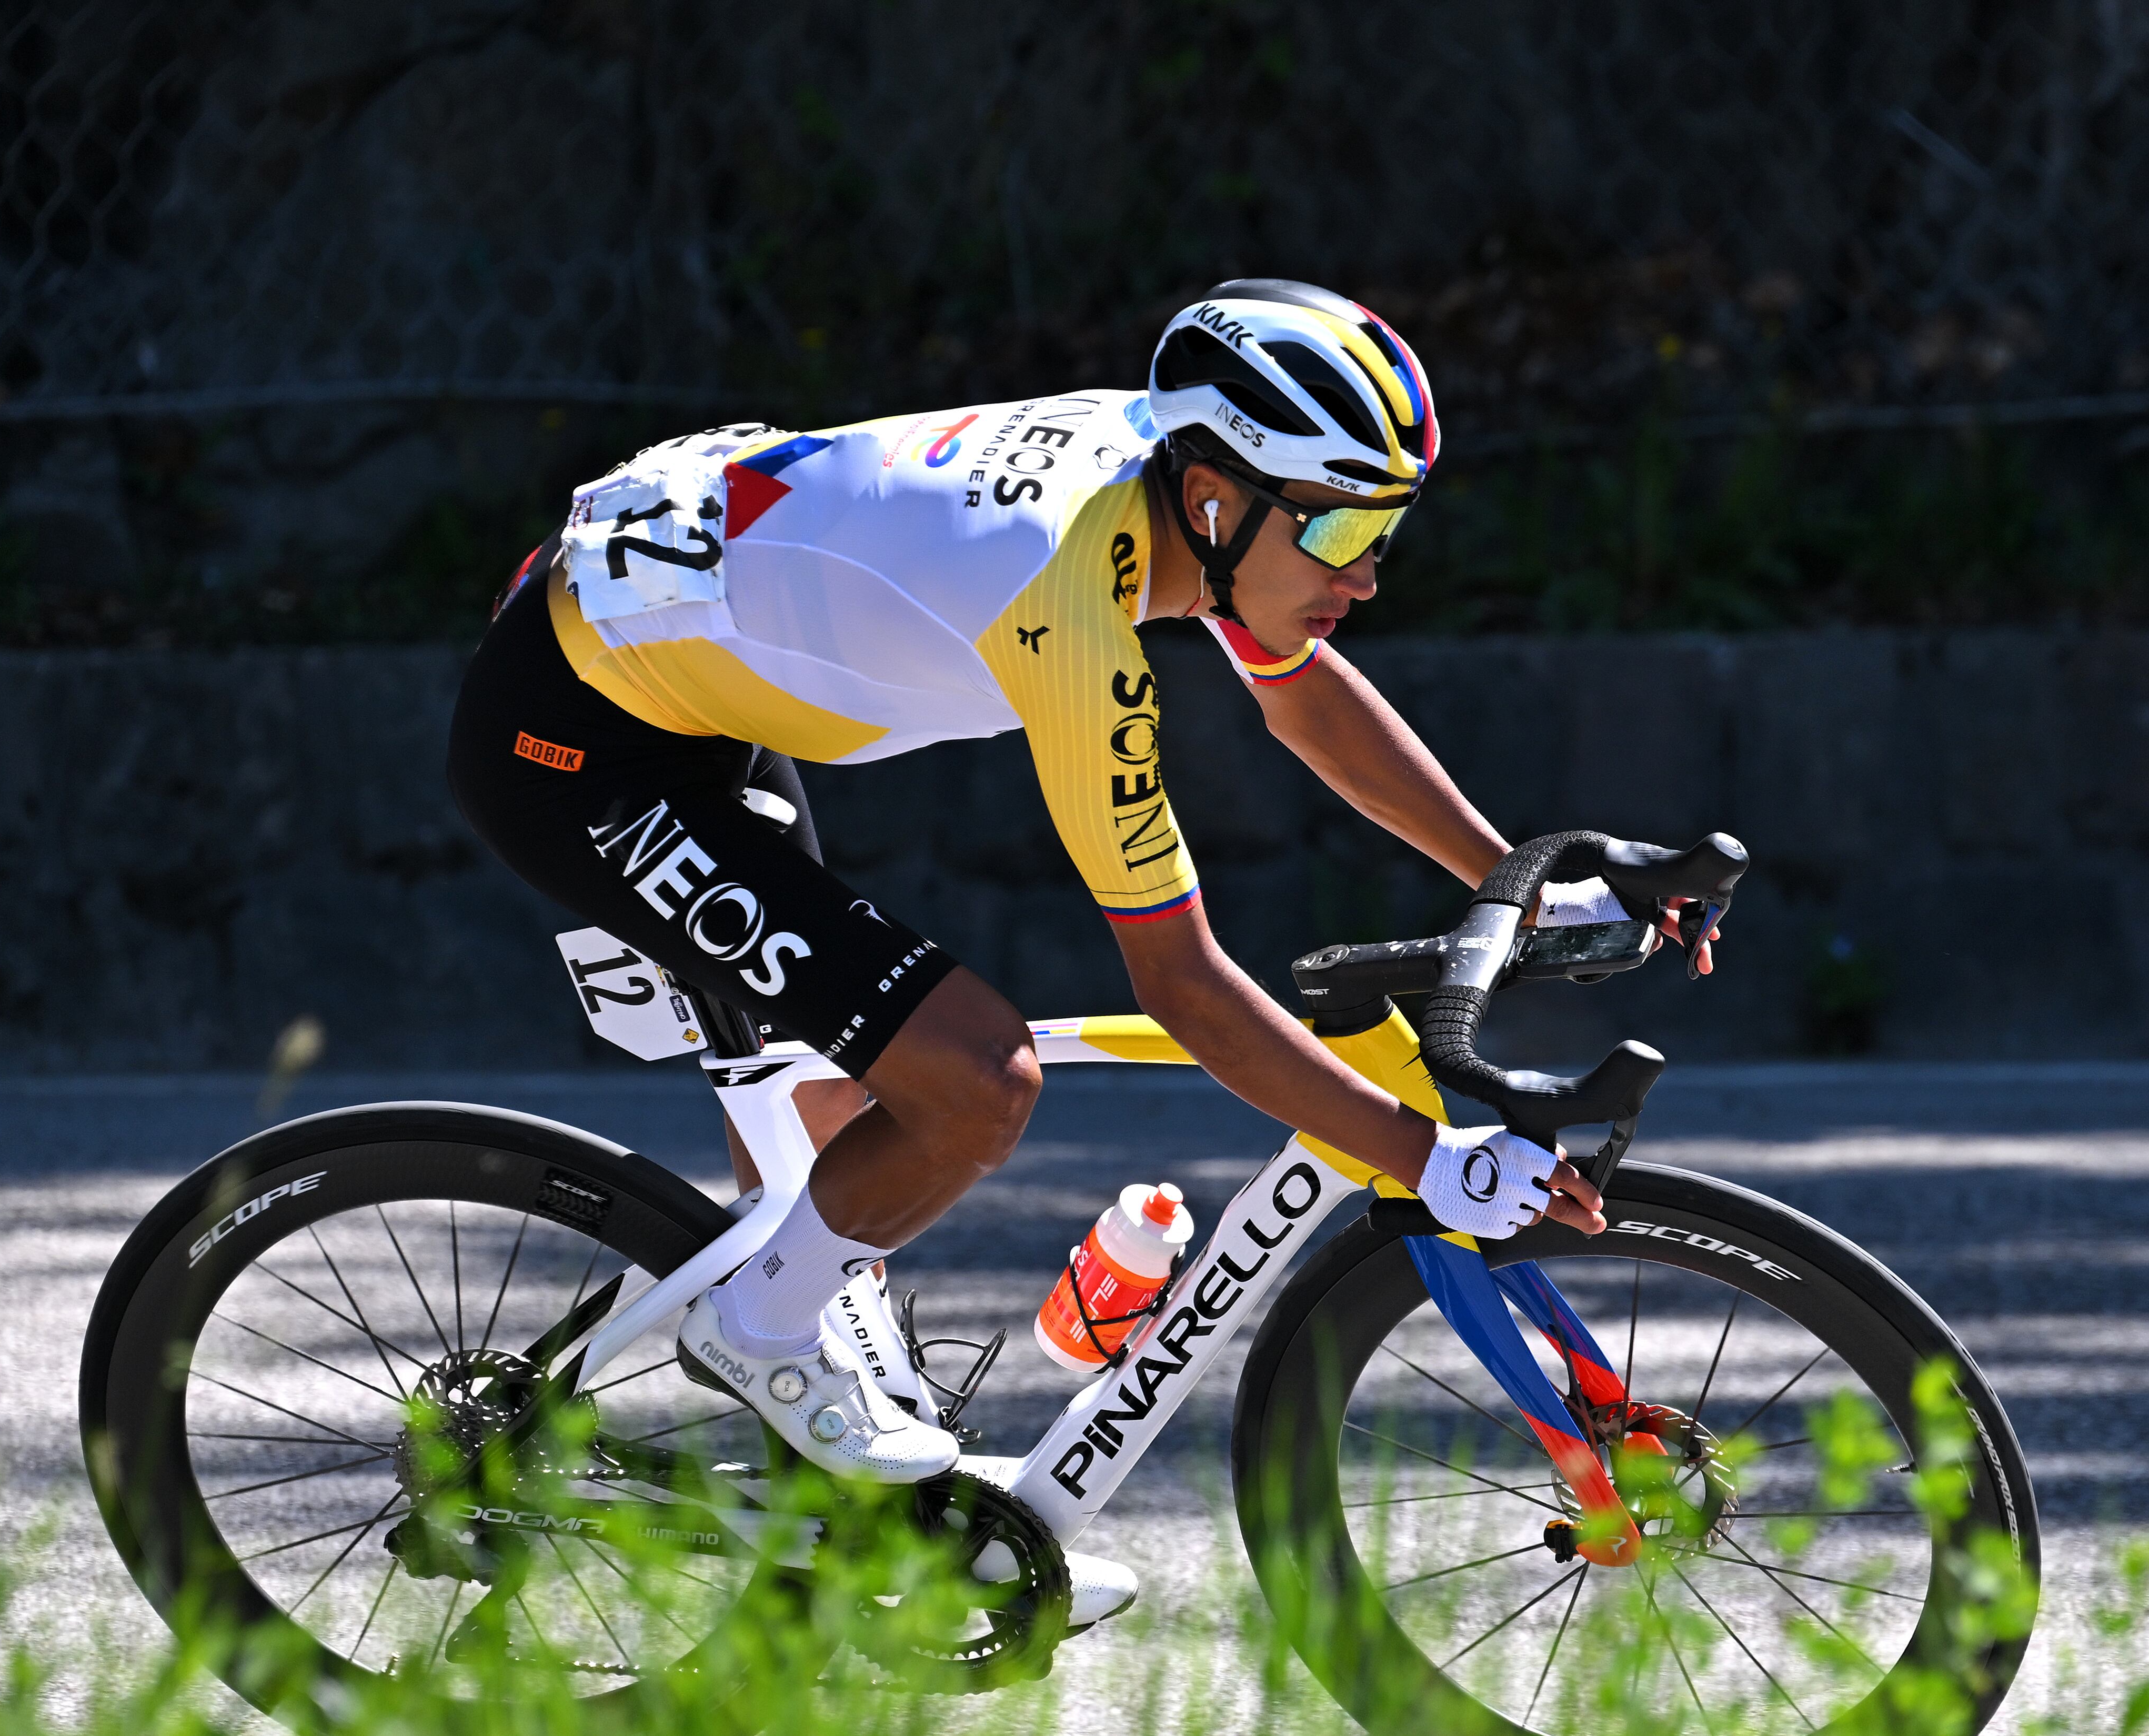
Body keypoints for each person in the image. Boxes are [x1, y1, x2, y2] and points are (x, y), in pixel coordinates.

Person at [446, 278, 1715, 1618]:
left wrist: (1519, 876)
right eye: (1337, 526)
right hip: (575, 742)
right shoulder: (1067, 602)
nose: (1364, 574)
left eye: (1386, 528)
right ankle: (747, 1336)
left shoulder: (1172, 483)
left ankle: (874, 1536)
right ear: (1219, 498)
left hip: (682, 653)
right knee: (973, 1082)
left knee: (837, 1168)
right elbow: (1182, 983)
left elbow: (1300, 695)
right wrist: (1425, 1161)